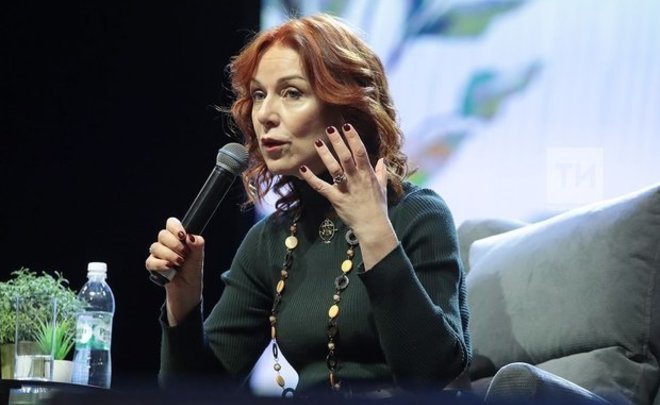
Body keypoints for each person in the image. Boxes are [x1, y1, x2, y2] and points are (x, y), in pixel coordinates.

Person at [145, 13, 471, 398]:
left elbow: (432, 376)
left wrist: (375, 232)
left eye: (292, 93)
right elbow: (193, 396)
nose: (265, 115)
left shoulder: (418, 215)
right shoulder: (272, 239)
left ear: (347, 107)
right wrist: (183, 300)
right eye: (259, 95)